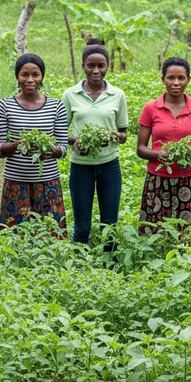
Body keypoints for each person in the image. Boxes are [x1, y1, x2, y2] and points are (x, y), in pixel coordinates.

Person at [61, 39, 128, 244]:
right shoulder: (70, 95)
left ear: (108, 66)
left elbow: (124, 135)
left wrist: (110, 136)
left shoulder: (117, 95)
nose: (96, 70)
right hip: (81, 167)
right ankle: (79, 267)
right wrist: (76, 141)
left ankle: (110, 267)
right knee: (82, 225)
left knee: (110, 224)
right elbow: (60, 132)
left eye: (101, 65)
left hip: (110, 166)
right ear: (83, 66)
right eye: (91, 65)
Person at [136, 56, 191, 231]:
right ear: (163, 80)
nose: (176, 83)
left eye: (181, 78)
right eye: (171, 78)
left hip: (188, 179)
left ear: (188, 80)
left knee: (188, 231)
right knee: (156, 229)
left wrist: (188, 155)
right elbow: (140, 148)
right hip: (158, 178)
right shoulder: (151, 108)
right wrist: (158, 154)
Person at [0, 53, 68, 229]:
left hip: (48, 181)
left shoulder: (56, 106)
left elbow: (63, 148)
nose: (30, 79)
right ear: (17, 77)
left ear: (42, 77)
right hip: (15, 181)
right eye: (24, 75)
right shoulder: (5, 106)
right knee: (15, 236)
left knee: (49, 234)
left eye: (35, 75)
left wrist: (51, 151)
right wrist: (15, 146)